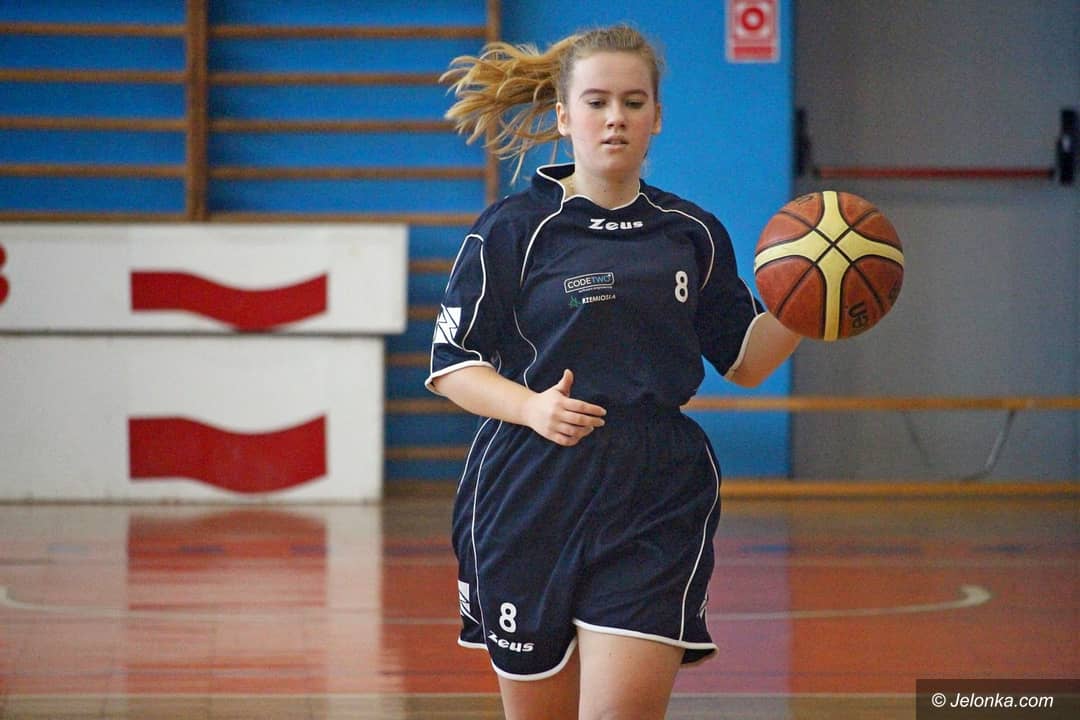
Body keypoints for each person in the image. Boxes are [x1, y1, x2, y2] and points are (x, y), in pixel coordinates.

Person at [426, 23, 801, 720]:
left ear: (657, 116)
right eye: (596, 102)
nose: (615, 118)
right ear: (564, 116)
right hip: (530, 481)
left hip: (656, 485)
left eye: (633, 102)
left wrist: (810, 305)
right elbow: (452, 364)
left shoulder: (691, 232)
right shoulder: (511, 229)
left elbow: (746, 360)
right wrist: (531, 408)